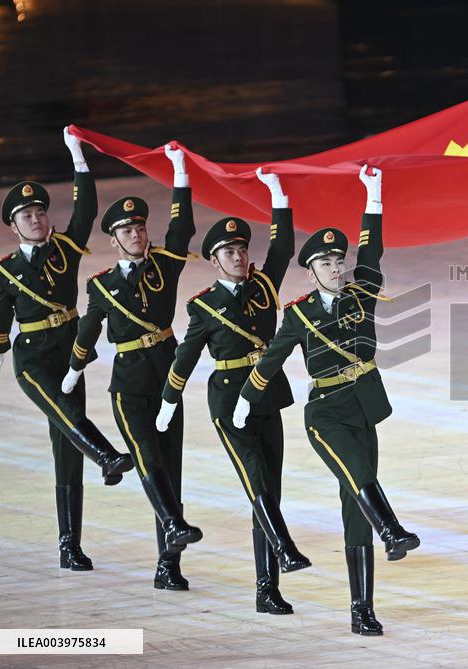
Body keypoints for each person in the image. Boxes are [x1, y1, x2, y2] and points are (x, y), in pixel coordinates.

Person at [234, 165, 418, 635]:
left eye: (339, 261)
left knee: (355, 503)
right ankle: (393, 530)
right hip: (325, 414)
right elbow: (271, 360)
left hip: (364, 407)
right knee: (359, 475)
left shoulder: (362, 294)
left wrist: (374, 194)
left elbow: (372, 249)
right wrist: (245, 400)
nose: (336, 268)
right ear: (311, 271)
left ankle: (361, 610)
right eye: (326, 263)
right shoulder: (298, 315)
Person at [156, 168, 309, 613]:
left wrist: (278, 197)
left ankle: (267, 589)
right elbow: (185, 357)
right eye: (229, 252)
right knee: (255, 479)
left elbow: (282, 248)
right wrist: (168, 400)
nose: (239, 256)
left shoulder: (263, 285)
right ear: (214, 260)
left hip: (266, 395)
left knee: (270, 489)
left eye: (242, 249)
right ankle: (284, 547)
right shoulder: (203, 306)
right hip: (227, 400)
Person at [0, 127, 133, 571]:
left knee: (67, 446)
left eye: (39, 212)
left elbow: (86, 210)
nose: (35, 219)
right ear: (13, 225)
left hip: (69, 354)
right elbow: (0, 314)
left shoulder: (66, 249)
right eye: (26, 215)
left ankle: (70, 546)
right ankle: (107, 454)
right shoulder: (5, 270)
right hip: (32, 357)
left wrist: (78, 158)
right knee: (68, 416)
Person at [63, 144, 203, 589]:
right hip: (127, 386)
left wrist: (180, 172)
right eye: (127, 229)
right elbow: (88, 331)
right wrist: (73, 370)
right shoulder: (102, 285)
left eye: (140, 226)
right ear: (114, 239)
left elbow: (182, 227)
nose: (137, 234)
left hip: (166, 382)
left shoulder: (164, 264)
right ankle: (174, 525)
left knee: (170, 469)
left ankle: (168, 566)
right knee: (147, 457)